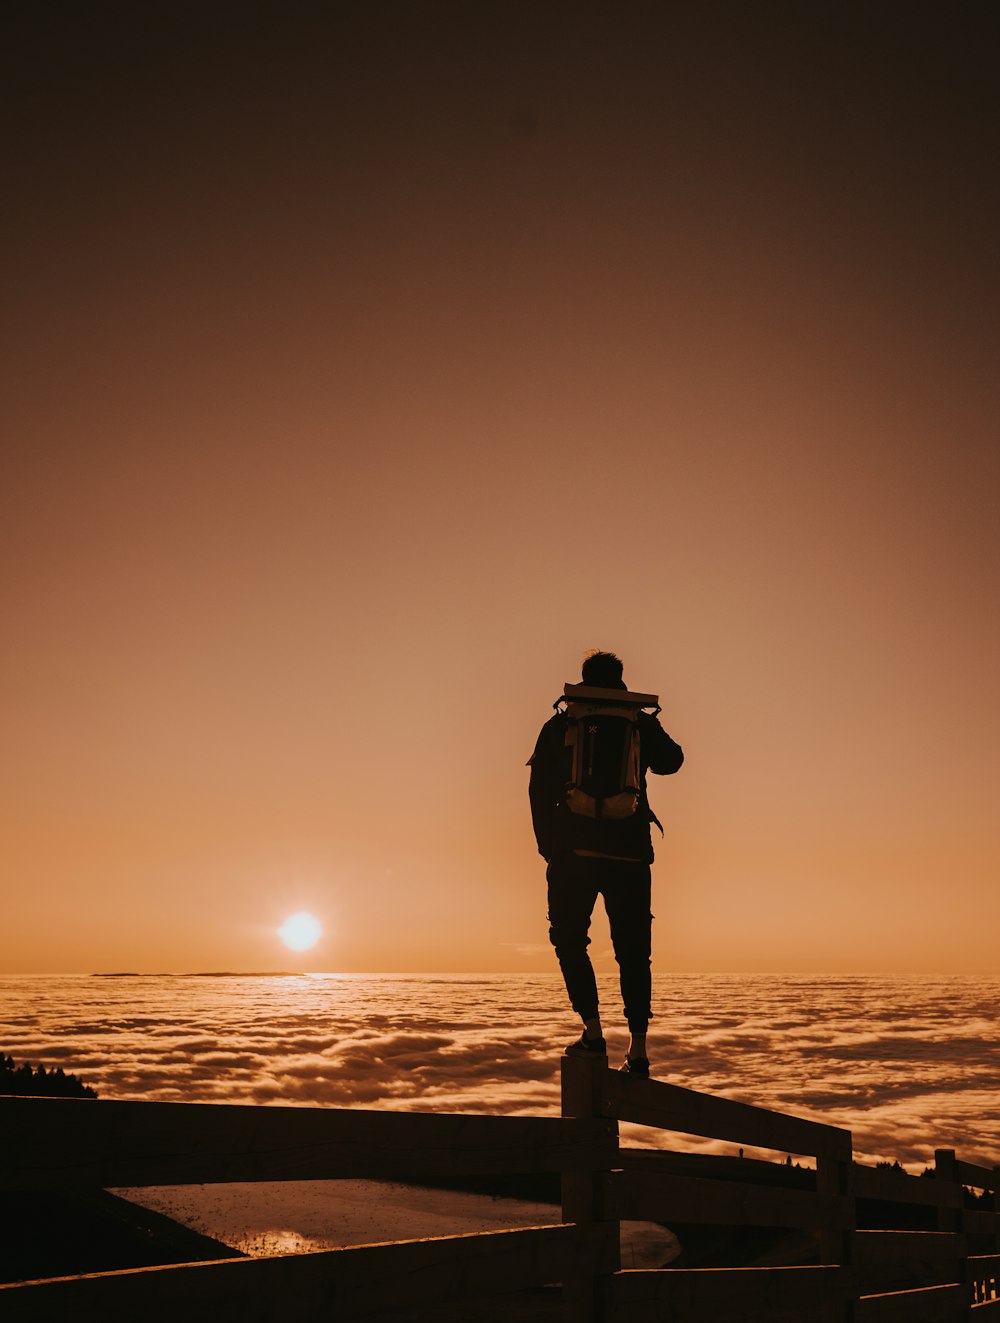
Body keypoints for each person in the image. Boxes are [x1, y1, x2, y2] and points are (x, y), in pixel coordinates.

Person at [528, 650, 684, 1076]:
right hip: (630, 854)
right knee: (634, 952)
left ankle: (593, 1035)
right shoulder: (639, 722)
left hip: (573, 855)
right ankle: (638, 1049)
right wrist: (644, 724)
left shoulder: (562, 723)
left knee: (570, 940)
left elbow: (539, 787)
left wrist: (550, 847)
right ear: (620, 679)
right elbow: (673, 761)